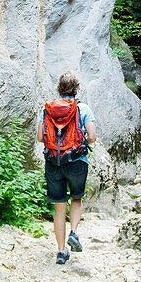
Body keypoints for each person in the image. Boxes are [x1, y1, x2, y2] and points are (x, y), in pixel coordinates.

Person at [39, 72, 97, 264]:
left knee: (59, 208)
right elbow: (92, 136)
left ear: (59, 88)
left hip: (54, 162)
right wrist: (83, 144)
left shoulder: (48, 109)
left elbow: (40, 137)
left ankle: (61, 251)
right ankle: (74, 232)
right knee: (76, 198)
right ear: (76, 88)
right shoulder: (83, 108)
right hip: (77, 160)